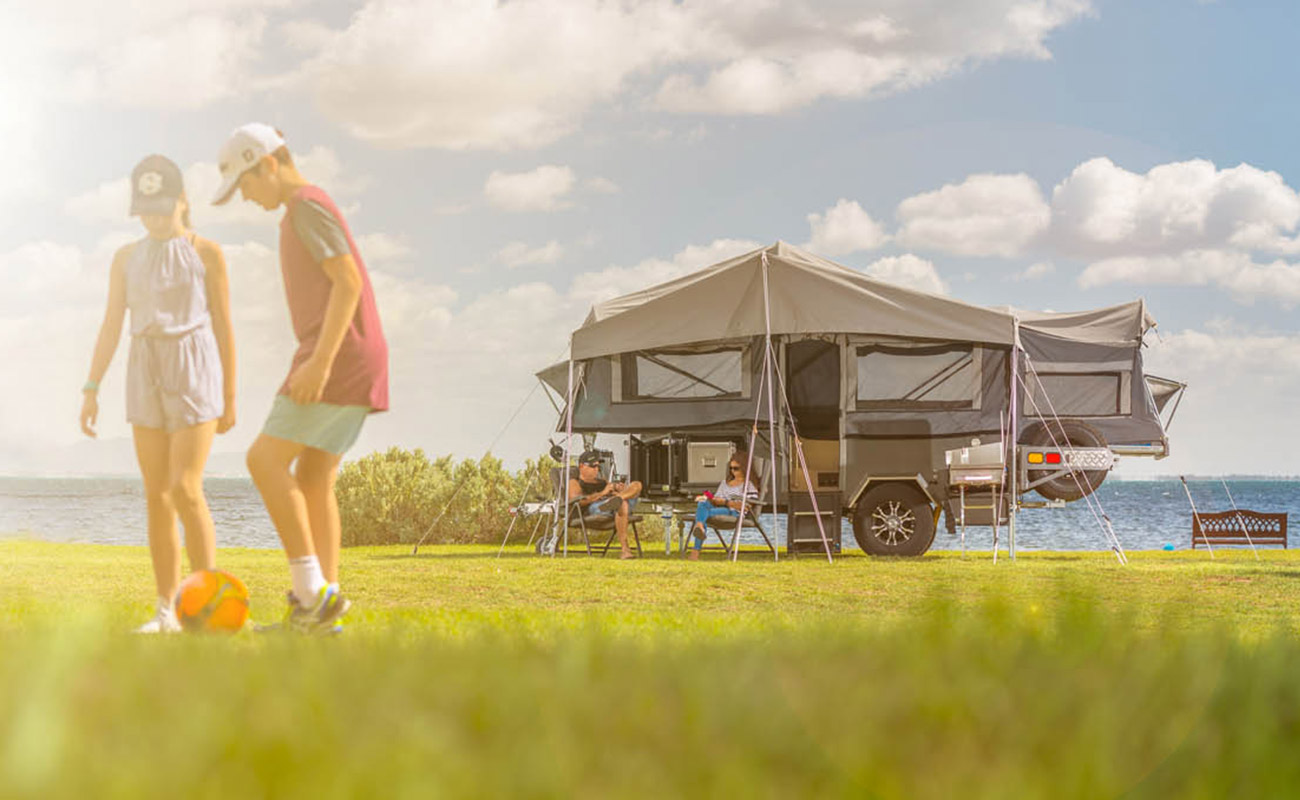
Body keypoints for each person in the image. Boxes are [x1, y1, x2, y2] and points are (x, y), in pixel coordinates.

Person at [211, 123, 388, 635]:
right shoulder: (305, 209)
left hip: (336, 357)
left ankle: (313, 592)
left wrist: (320, 363)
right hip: (360, 357)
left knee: (263, 460)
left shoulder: (305, 206)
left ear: (266, 163)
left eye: (244, 184)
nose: (245, 196)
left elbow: (348, 280)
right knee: (312, 477)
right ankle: (318, 616)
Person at [80, 154, 237, 632]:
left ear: (182, 202)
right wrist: (91, 388)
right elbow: (111, 324)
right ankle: (166, 610)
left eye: (160, 207)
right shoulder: (125, 258)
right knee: (156, 495)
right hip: (142, 366)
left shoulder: (207, 252)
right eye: (144, 209)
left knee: (186, 489)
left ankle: (205, 607)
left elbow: (225, 325)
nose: (152, 217)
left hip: (194, 368)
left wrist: (230, 396)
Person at [567, 450, 642, 559]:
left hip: (613, 504)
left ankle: (620, 498)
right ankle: (625, 550)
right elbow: (577, 501)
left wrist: (620, 490)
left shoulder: (602, 481)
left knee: (637, 484)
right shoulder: (575, 482)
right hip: (595, 508)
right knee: (622, 504)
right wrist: (603, 493)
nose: (596, 469)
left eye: (598, 466)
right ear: (582, 466)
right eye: (593, 466)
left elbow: (612, 490)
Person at [686, 450, 758, 561]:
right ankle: (700, 526)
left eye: (736, 468)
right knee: (702, 503)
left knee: (703, 514)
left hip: (733, 513)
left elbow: (747, 506)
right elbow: (716, 499)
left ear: (744, 468)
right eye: (731, 468)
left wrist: (726, 502)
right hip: (720, 507)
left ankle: (695, 551)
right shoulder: (725, 483)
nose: (733, 471)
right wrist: (708, 498)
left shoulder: (748, 485)